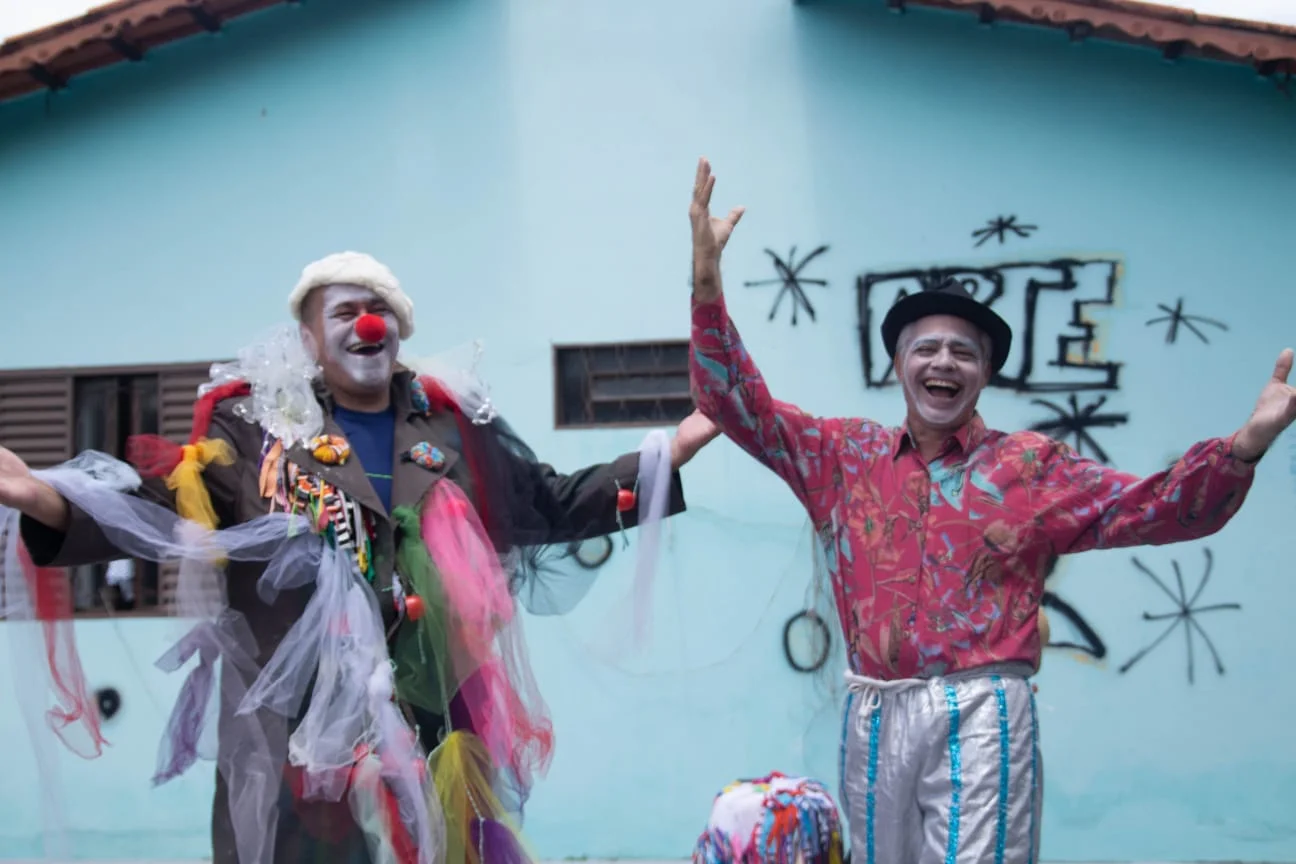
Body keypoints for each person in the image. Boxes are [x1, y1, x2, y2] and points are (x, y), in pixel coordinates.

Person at [0, 250, 719, 864]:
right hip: (302, 743)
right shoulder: (254, 431)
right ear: (310, 339)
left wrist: (666, 454)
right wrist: (45, 497)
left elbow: (549, 502)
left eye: (377, 310)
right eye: (343, 312)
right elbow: (161, 507)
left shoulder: (454, 424)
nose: (364, 324)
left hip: (436, 726)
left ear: (399, 332)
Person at [685, 158, 1295, 864]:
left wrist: (1246, 444)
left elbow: (1150, 506)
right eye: (927, 348)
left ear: (984, 373)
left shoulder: (1029, 467)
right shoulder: (841, 455)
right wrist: (706, 279)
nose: (944, 362)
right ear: (898, 365)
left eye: (963, 353)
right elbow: (735, 405)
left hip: (981, 711)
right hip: (874, 713)